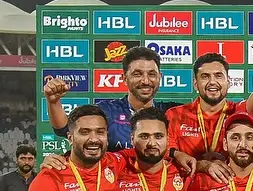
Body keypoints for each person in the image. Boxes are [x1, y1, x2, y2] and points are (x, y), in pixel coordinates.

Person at [44, 46, 172, 150]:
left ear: (160, 77)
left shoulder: (172, 113)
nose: (145, 80)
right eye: (137, 74)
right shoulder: (106, 110)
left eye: (151, 74)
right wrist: (53, 102)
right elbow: (63, 129)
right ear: (124, 78)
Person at [165, 48, 253, 162]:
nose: (212, 82)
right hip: (187, 179)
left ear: (228, 82)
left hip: (231, 179)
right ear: (195, 84)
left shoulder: (240, 111)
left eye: (218, 76)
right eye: (205, 76)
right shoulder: (174, 115)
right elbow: (166, 152)